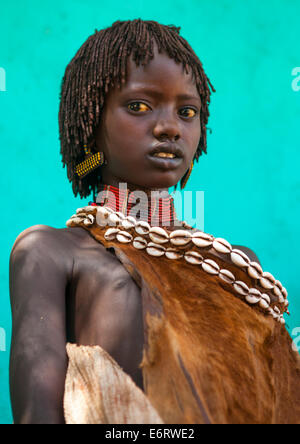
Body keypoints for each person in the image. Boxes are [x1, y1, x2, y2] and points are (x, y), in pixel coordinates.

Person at [9, 19, 299, 425]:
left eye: (187, 112)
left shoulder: (235, 269)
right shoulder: (50, 252)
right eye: (139, 106)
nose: (169, 128)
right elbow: (37, 415)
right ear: (91, 126)